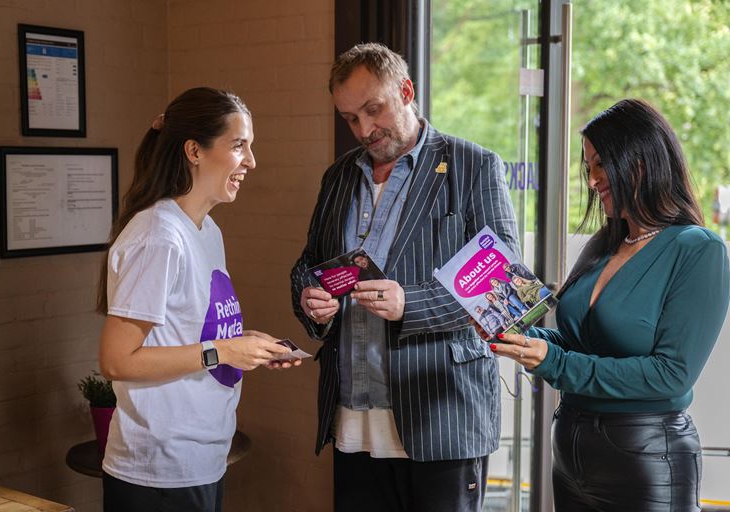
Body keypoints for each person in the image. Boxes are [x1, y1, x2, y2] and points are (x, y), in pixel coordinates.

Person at [290, 43, 519, 512]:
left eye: (373, 110)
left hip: (442, 414)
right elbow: (308, 265)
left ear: (406, 91)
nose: (364, 130)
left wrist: (410, 303)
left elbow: (503, 281)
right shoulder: (337, 177)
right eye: (350, 119)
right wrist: (309, 298)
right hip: (352, 415)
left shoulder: (474, 165)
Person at [493, 98, 730, 512]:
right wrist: (521, 336)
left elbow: (671, 375)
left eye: (601, 164)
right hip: (571, 457)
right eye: (588, 167)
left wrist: (553, 362)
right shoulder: (603, 245)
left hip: (646, 460)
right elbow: (577, 344)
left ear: (640, 162)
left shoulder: (698, 249)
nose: (592, 180)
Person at [96, 87, 299, 512]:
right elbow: (116, 361)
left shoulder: (206, 231)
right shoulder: (159, 236)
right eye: (239, 145)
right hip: (158, 470)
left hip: (201, 459)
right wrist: (223, 351)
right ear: (194, 151)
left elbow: (190, 331)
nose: (251, 161)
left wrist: (245, 346)